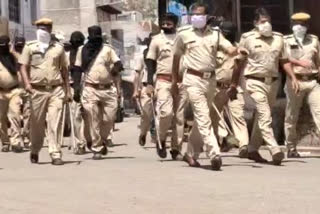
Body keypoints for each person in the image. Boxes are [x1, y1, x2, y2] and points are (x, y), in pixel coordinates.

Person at [172, 2, 237, 170]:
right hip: (192, 79)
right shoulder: (184, 34)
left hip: (210, 81)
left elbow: (230, 49)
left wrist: (239, 52)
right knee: (203, 117)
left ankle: (191, 154)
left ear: (207, 17)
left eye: (199, 14)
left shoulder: (215, 34)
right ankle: (214, 153)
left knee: (202, 119)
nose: (196, 17)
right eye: (193, 15)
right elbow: (176, 58)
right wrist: (174, 81)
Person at [238, 8, 298, 165]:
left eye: (268, 21)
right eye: (263, 21)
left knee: (262, 116)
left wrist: (293, 77)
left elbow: (284, 61)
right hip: (254, 81)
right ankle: (274, 148)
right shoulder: (247, 38)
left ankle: (252, 149)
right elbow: (240, 61)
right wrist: (234, 84)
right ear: (255, 23)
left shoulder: (279, 38)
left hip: (273, 82)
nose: (267, 24)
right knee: (265, 115)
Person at [19, 18, 72, 165]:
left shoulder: (58, 48)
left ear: (50, 29)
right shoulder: (30, 47)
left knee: (54, 122)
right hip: (37, 90)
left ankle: (55, 153)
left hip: (56, 89)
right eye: (41, 27)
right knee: (36, 124)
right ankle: (35, 149)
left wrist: (67, 91)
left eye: (47, 28)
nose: (44, 30)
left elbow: (64, 70)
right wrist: (27, 84)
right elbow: (23, 66)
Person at [74, 25, 122, 160]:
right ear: (89, 37)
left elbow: (118, 64)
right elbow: (77, 69)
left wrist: (114, 71)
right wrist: (76, 88)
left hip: (108, 89)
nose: (95, 40)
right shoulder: (82, 50)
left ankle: (103, 139)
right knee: (93, 119)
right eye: (93, 37)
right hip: (90, 88)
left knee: (109, 118)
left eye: (97, 37)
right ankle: (97, 147)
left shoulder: (107, 50)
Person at [146, 13, 186, 160]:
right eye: (164, 22)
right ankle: (161, 139)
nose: (166, 24)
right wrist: (149, 83)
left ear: (175, 24)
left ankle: (176, 149)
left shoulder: (183, 38)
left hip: (182, 81)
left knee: (179, 117)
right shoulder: (157, 40)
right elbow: (150, 62)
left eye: (169, 22)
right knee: (166, 113)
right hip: (164, 80)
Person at [283, 12, 320, 158]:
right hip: (295, 81)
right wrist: (293, 77)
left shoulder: (314, 40)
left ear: (308, 26)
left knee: (319, 112)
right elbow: (284, 60)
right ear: (292, 25)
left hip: (312, 81)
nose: (300, 27)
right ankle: (291, 148)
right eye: (297, 24)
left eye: (303, 24)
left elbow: (318, 60)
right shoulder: (285, 40)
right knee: (292, 116)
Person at [211, 21, 250, 157]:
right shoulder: (214, 49)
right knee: (214, 117)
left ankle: (243, 145)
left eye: (229, 32)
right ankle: (218, 141)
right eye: (224, 32)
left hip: (234, 87)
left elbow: (239, 69)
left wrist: (234, 86)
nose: (227, 34)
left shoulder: (240, 50)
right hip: (216, 88)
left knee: (238, 115)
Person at [0, 35, 24, 153]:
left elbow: (22, 66)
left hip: (14, 91)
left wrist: (13, 51)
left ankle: (16, 142)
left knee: (15, 115)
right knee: (1, 119)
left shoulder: (14, 57)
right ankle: (5, 142)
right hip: (1, 92)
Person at [133, 35, 156, 147]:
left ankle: (156, 136)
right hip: (146, 87)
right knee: (146, 114)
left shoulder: (162, 55)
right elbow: (137, 73)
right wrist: (136, 90)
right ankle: (143, 133)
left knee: (161, 113)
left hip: (160, 85)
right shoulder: (142, 56)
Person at [68, 31, 87, 155]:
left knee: (89, 116)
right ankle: (80, 143)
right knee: (75, 117)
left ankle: (89, 140)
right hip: (72, 87)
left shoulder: (86, 52)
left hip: (86, 86)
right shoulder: (68, 54)